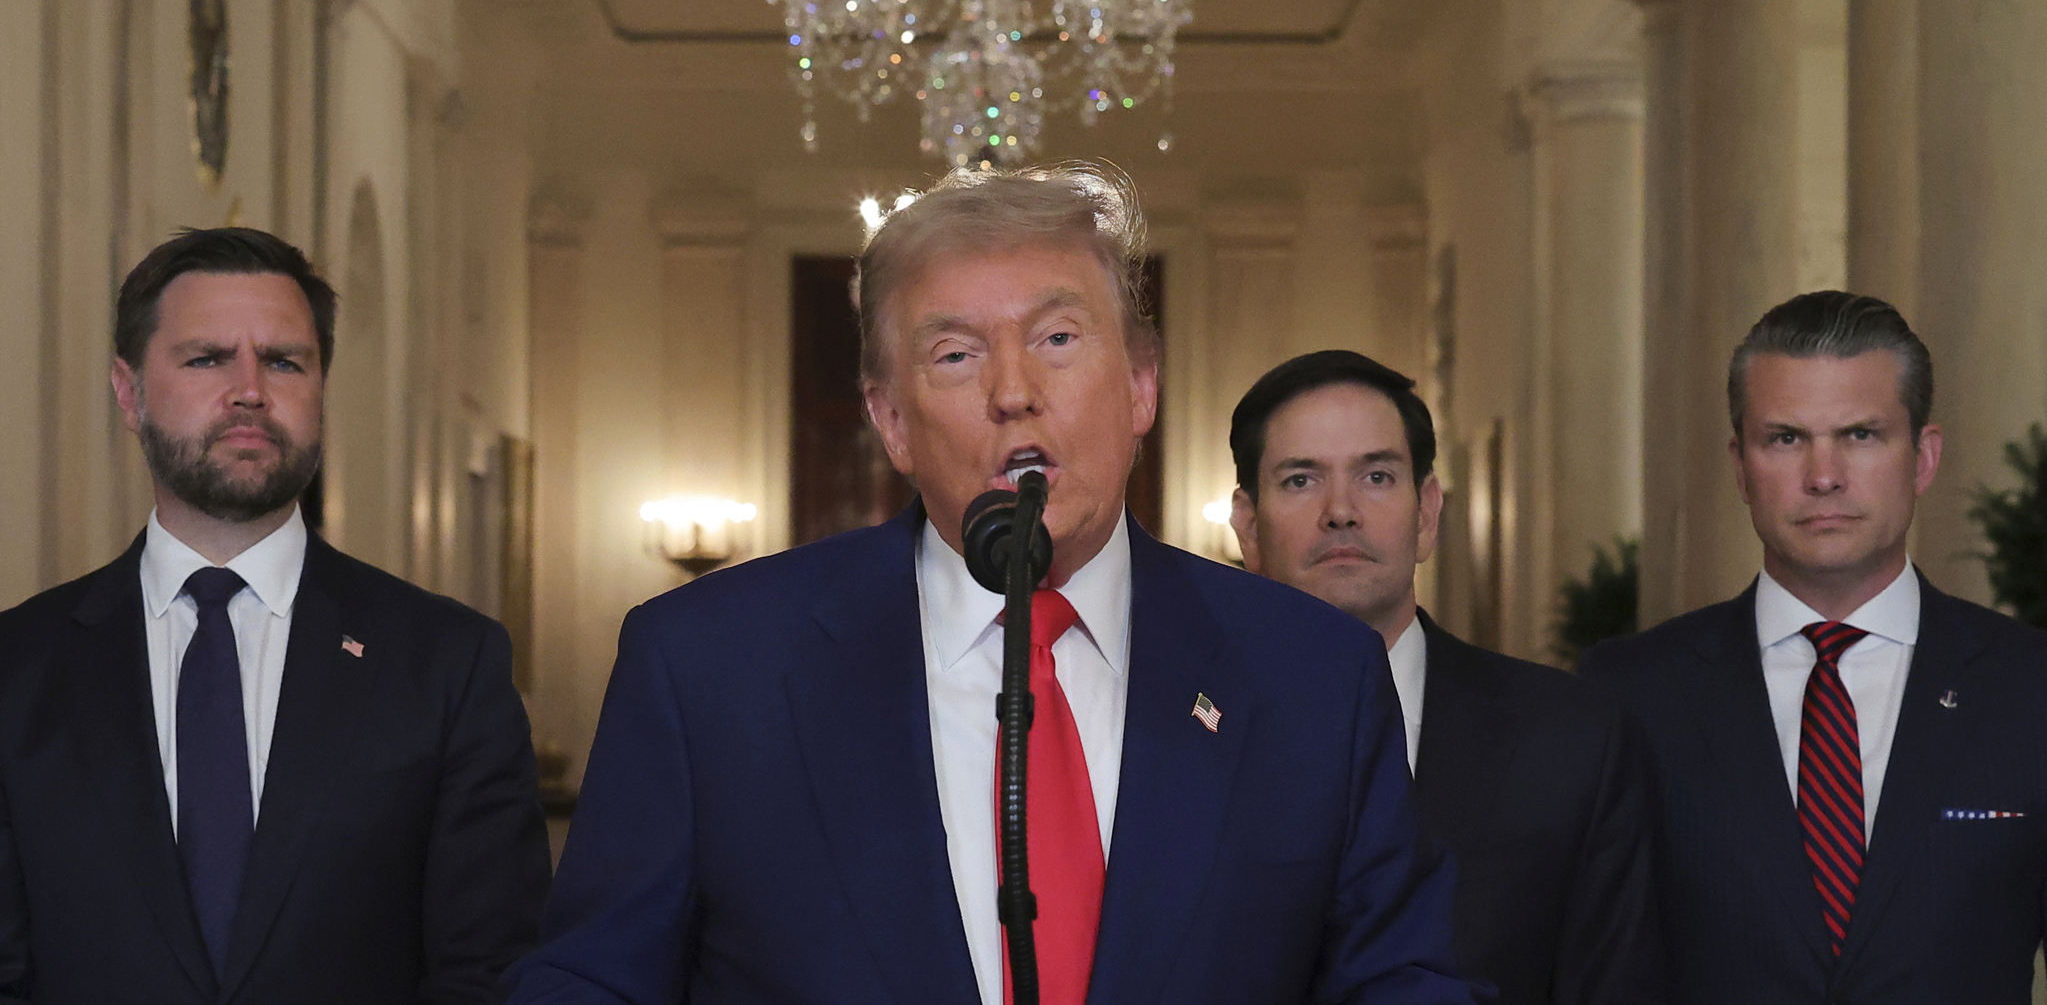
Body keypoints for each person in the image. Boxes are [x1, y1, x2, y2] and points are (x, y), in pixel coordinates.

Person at [508, 167, 1473, 1005]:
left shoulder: (1312, 675)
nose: (1013, 389)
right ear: (891, 421)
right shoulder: (711, 667)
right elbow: (593, 975)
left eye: (1057, 338)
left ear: (1141, 384)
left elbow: (1399, 976)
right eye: (956, 355)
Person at [0, 228, 551, 1005]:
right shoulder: (19, 667)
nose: (250, 389)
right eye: (207, 358)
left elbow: (490, 968)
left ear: (320, 389)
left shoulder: (447, 662)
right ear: (128, 392)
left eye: (285, 360)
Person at [1580, 290, 2047, 1003]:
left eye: (1859, 434)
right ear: (1739, 465)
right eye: (1785, 438)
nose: (1822, 475)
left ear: (1922, 458)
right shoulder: (1629, 694)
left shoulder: (2029, 688)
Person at [1227, 350, 1660, 1005]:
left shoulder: (1572, 742)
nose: (1340, 510)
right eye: (1299, 480)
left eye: (1375, 475)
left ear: (1427, 513)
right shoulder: (1178, 734)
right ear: (1246, 524)